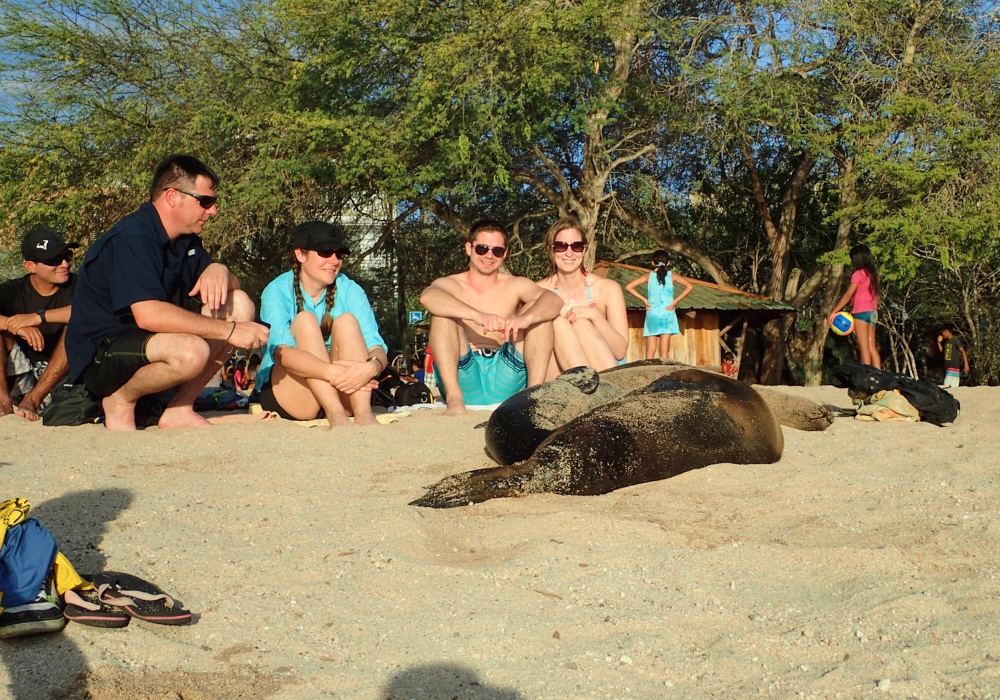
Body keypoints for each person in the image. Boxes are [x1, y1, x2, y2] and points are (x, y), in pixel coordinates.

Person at [65, 154, 269, 431]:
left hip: (151, 345)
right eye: (206, 201)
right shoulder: (133, 238)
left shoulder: (186, 241)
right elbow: (149, 316)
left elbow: (230, 289)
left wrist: (219, 269)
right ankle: (119, 400)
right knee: (192, 350)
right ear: (173, 197)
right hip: (104, 353)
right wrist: (230, 331)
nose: (213, 211)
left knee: (239, 305)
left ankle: (180, 408)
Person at [420, 218, 561, 415]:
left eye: (497, 250)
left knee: (538, 312)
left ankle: (532, 397)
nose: (489, 255)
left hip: (507, 372)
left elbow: (553, 301)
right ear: (469, 248)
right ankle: (454, 399)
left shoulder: (515, 284)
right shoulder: (452, 284)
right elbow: (428, 297)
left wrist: (525, 318)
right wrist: (476, 315)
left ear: (505, 254)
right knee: (442, 314)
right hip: (465, 374)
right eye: (482, 248)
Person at [257, 221, 388, 427]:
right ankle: (336, 415)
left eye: (339, 254)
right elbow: (280, 352)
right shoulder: (277, 290)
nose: (334, 260)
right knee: (305, 320)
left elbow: (376, 347)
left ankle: (363, 413)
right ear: (300, 255)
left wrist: (370, 369)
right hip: (294, 395)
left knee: (347, 321)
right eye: (325, 252)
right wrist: (331, 373)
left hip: (344, 389)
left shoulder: (350, 289)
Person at [0, 228, 79, 420]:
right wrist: (13, 324)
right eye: (53, 260)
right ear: (30, 266)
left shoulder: (80, 286)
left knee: (77, 325)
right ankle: (2, 398)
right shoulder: (13, 290)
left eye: (67, 256)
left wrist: (38, 317)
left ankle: (33, 400)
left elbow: (91, 311)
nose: (64, 264)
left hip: (61, 378)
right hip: (21, 373)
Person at [535, 218, 629, 379]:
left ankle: (605, 393)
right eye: (561, 246)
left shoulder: (607, 288)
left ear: (584, 250)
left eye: (576, 246)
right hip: (558, 374)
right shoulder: (538, 291)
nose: (569, 253)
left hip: (606, 369)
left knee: (582, 324)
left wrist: (594, 315)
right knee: (557, 324)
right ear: (550, 250)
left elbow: (620, 351)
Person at [625, 250, 694, 359]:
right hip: (667, 312)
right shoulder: (672, 275)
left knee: (650, 351)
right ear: (668, 263)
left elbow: (629, 286)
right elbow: (690, 286)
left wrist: (644, 300)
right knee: (664, 351)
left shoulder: (648, 276)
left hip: (652, 312)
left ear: (652, 262)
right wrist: (675, 302)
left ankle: (648, 374)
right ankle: (664, 375)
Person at [827, 243, 881, 368]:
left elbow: (848, 295)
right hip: (873, 312)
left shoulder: (858, 274)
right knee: (872, 347)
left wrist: (834, 311)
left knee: (863, 347)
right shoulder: (874, 275)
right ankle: (879, 376)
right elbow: (875, 297)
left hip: (861, 312)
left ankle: (866, 377)